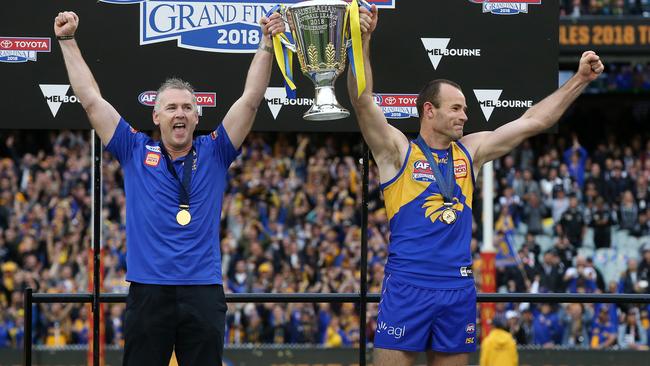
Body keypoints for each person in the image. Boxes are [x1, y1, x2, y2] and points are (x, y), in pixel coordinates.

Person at [347, 6, 603, 366]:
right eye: (456, 108)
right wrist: (362, 40)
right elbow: (362, 102)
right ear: (428, 111)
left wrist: (579, 80)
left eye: (465, 108)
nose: (465, 116)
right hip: (407, 285)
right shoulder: (397, 151)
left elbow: (535, 120)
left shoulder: (472, 151)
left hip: (458, 289)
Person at [53, 10, 285, 366]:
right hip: (149, 292)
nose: (180, 113)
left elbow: (251, 98)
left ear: (197, 117)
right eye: (171, 107)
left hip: (203, 292)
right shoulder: (134, 149)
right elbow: (91, 100)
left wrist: (266, 44)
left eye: (187, 107)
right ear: (156, 116)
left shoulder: (217, 150)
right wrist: (67, 41)